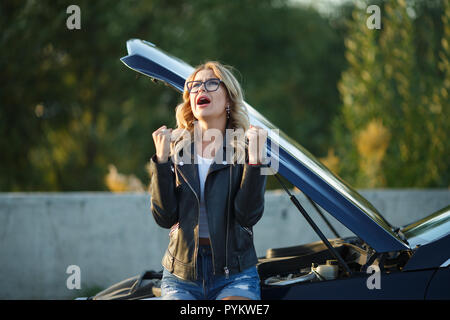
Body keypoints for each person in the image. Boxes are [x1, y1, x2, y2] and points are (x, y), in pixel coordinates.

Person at [149, 61, 268, 300]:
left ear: (229, 100)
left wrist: (255, 162)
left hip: (235, 273)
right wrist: (161, 163)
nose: (201, 89)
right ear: (190, 102)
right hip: (181, 276)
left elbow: (248, 215)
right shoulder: (176, 149)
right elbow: (164, 217)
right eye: (194, 86)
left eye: (211, 83)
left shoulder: (246, 148)